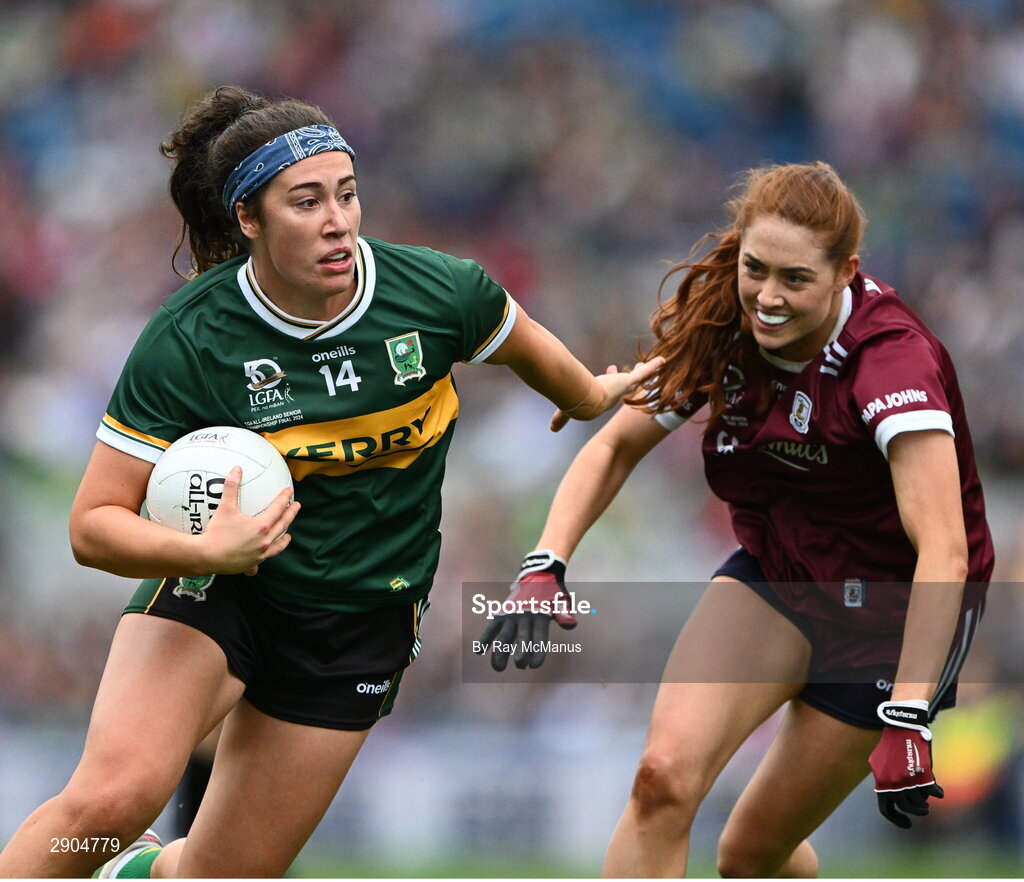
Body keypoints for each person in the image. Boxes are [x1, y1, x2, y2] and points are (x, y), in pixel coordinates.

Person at [0, 85, 661, 879]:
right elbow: (92, 524)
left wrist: (595, 394)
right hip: (224, 591)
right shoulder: (189, 340)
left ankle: (134, 872)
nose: (337, 220)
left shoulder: (441, 293)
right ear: (249, 219)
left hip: (360, 622)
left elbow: (554, 371)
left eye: (346, 194)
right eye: (305, 201)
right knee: (110, 804)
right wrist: (205, 550)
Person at [478, 162, 993, 877]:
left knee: (750, 857)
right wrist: (547, 559)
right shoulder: (727, 320)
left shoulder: (891, 363)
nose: (769, 299)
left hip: (895, 616)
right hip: (780, 576)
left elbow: (944, 550)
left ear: (846, 272)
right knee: (661, 781)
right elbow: (615, 448)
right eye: (757, 269)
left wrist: (908, 710)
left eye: (795, 280)